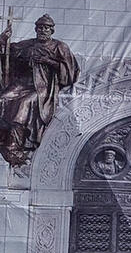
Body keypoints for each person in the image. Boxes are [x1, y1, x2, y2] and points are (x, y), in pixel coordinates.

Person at [0, 13, 80, 169]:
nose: (43, 30)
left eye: (46, 28)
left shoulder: (59, 47)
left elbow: (71, 72)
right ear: (36, 29)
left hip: (43, 87)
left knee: (24, 105)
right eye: (40, 27)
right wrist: (3, 39)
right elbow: (6, 53)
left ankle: (14, 147)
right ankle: (3, 137)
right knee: (2, 100)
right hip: (21, 85)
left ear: (52, 31)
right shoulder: (27, 44)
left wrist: (48, 61)